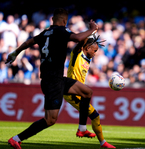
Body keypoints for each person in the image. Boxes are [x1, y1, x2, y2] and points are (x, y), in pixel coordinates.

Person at [6, 8, 98, 149]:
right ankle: (16, 139)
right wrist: (92, 29)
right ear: (64, 21)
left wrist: (15, 53)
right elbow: (78, 38)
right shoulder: (62, 31)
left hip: (57, 79)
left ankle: (82, 128)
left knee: (87, 92)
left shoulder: (45, 33)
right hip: (52, 82)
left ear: (52, 20)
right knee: (50, 120)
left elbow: (29, 42)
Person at [64, 34, 116, 148]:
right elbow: (80, 43)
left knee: (95, 116)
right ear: (87, 48)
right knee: (95, 115)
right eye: (95, 50)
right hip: (72, 92)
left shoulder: (88, 59)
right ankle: (99, 140)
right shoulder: (77, 54)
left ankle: (85, 130)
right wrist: (91, 31)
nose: (95, 53)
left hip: (79, 92)